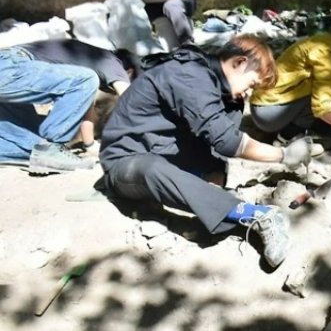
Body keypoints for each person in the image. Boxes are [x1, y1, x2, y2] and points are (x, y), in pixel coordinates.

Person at [99, 35, 314, 268]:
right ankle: (257, 215)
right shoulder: (190, 76)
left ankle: (215, 198)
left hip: (161, 147)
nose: (249, 93)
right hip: (125, 162)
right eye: (252, 84)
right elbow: (228, 143)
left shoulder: (211, 82)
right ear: (239, 63)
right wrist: (284, 155)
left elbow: (221, 137)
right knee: (153, 168)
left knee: (227, 116)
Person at [19, 39, 140, 153]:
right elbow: (132, 102)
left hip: (12, 64)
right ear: (129, 72)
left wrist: (90, 145)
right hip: (17, 62)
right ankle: (51, 146)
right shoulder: (112, 64)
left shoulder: (91, 64)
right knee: (43, 145)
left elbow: (85, 109)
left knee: (24, 141)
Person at [0, 45, 98, 174]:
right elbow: (123, 93)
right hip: (7, 63)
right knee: (85, 80)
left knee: (34, 143)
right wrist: (90, 144)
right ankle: (51, 148)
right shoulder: (113, 65)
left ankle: (44, 154)